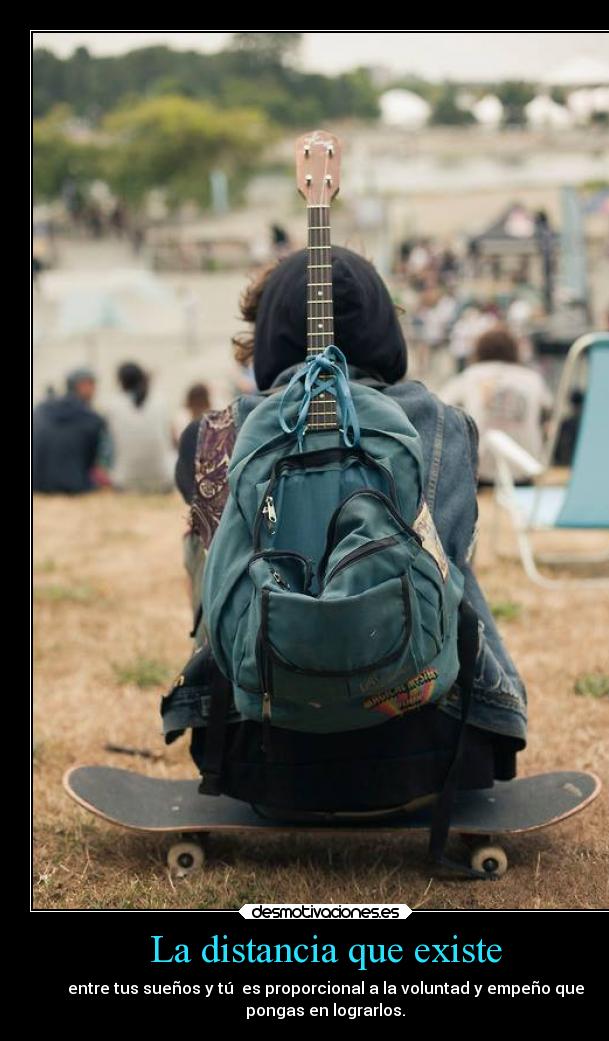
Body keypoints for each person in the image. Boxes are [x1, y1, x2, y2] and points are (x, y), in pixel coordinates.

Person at [169, 247, 527, 812]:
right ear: (383, 325)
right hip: (431, 753)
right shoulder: (448, 428)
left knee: (213, 555)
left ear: (270, 335)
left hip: (253, 757)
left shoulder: (210, 435)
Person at [440, 325, 553, 484]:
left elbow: (440, 405)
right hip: (525, 469)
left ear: (479, 350)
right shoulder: (533, 379)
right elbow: (549, 409)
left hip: (480, 471)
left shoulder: (470, 376)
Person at [33, 368, 108, 495]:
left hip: (36, 483)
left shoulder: (41, 409)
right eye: (92, 384)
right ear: (82, 385)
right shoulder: (92, 419)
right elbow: (91, 462)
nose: (95, 389)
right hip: (74, 485)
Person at [105, 363, 175, 493]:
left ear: (120, 382)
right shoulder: (161, 401)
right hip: (163, 479)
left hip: (124, 482)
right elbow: (171, 439)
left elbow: (109, 448)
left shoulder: (113, 405)